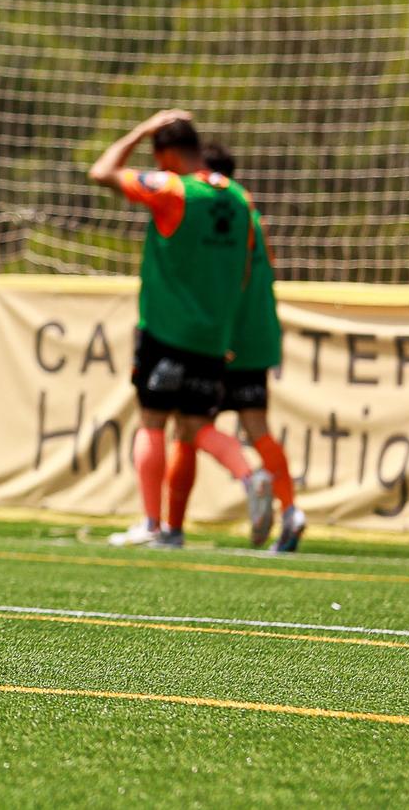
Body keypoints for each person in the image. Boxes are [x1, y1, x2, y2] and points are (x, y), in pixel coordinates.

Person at [88, 110, 256, 549]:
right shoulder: (240, 198)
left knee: (153, 422)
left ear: (164, 155)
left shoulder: (173, 189)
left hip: (166, 331)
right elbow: (243, 273)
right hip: (215, 335)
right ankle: (248, 474)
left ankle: (150, 522)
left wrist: (142, 127)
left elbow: (101, 171)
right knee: (196, 425)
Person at [203, 141, 305, 553]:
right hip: (260, 335)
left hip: (226, 336)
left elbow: (231, 278)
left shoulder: (216, 217)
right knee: (257, 427)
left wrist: (221, 334)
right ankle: (291, 510)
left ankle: (166, 525)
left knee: (185, 427)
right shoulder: (254, 217)